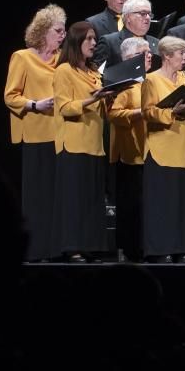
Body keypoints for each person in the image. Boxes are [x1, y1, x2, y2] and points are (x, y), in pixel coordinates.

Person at [53, 21, 120, 262]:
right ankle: (73, 247)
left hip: (95, 144)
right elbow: (65, 108)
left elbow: (100, 107)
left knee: (93, 199)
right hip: (73, 143)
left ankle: (90, 245)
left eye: (95, 39)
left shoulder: (93, 73)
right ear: (76, 42)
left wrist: (108, 98)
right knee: (75, 199)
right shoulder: (64, 71)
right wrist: (93, 99)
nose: (93, 43)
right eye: (89, 39)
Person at [4, 4, 66, 261]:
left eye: (64, 31)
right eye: (58, 30)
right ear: (42, 31)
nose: (62, 35)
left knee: (57, 196)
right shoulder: (22, 57)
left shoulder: (62, 59)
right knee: (36, 196)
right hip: (34, 133)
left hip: (61, 135)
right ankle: (36, 250)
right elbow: (10, 96)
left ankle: (56, 249)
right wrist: (35, 104)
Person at [140, 36, 185, 263]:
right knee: (162, 202)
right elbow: (147, 112)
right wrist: (172, 112)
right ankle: (160, 250)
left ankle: (184, 249)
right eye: (181, 54)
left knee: (184, 203)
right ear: (167, 56)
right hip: (162, 146)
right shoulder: (152, 81)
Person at [107, 36, 151, 262]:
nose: (148, 56)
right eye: (143, 53)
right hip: (129, 151)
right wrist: (138, 113)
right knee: (131, 203)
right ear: (129, 58)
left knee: (147, 204)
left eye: (149, 52)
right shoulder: (123, 83)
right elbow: (113, 114)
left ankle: (147, 246)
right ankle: (129, 249)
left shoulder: (152, 81)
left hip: (150, 150)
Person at [93, 0, 160, 68]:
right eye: (142, 13)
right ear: (128, 17)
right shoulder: (109, 42)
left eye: (149, 14)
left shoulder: (156, 42)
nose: (147, 18)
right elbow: (98, 74)